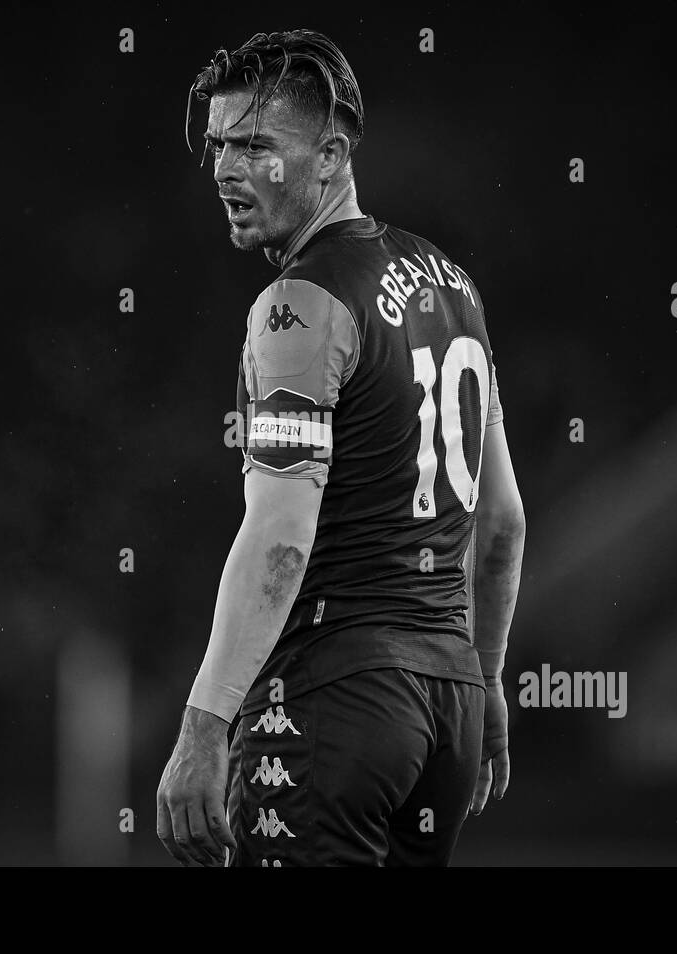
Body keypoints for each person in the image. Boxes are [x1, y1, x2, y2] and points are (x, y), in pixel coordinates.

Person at [156, 28, 526, 867]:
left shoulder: (300, 304)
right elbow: (501, 524)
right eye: (218, 145)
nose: (223, 169)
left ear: (330, 156)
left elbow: (282, 543)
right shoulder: (452, 284)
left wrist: (204, 723)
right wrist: (487, 681)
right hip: (448, 708)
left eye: (255, 146)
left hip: (338, 698)